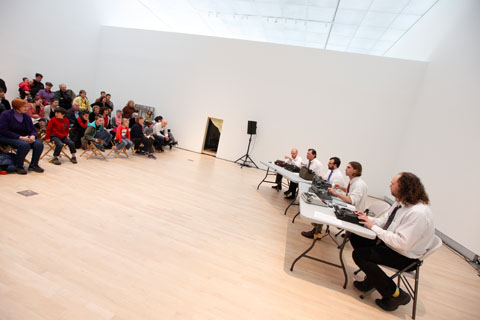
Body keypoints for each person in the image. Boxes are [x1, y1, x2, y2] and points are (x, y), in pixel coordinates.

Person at [351, 172, 434, 312]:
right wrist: (368, 220)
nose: (390, 185)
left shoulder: (418, 213)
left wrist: (373, 227)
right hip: (393, 246)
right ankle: (373, 279)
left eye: (393, 183)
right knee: (356, 237)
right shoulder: (400, 203)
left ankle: (396, 294)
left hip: (406, 257)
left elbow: (402, 243)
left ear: (403, 187)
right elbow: (385, 223)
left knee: (359, 255)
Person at [0, 99, 44, 174]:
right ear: (17, 107)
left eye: (27, 106)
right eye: (24, 107)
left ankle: (34, 165)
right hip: (7, 137)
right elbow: (3, 130)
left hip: (23, 137)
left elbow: (32, 129)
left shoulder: (26, 116)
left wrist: (33, 135)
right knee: (24, 145)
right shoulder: (6, 114)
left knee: (39, 144)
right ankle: (19, 166)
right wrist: (20, 137)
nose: (27, 108)